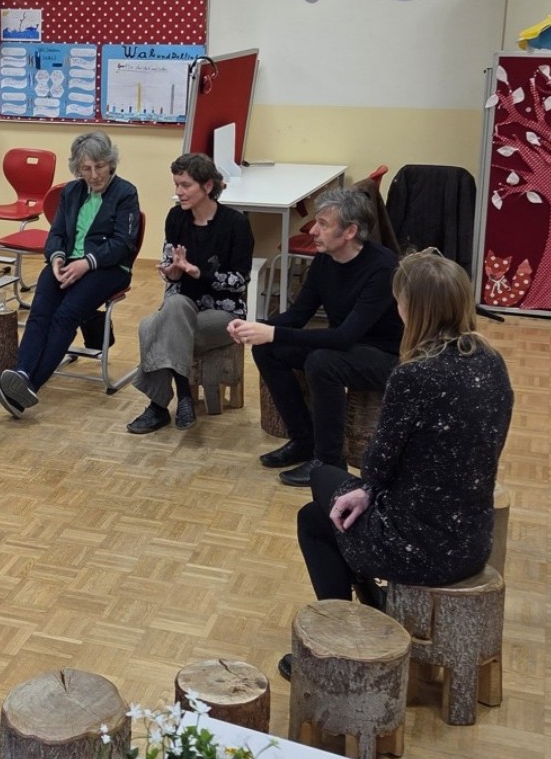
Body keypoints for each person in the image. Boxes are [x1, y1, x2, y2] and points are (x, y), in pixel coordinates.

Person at [279, 250, 513, 680]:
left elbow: (377, 467)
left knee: (315, 512)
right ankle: (371, 602)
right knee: (329, 490)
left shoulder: (414, 375)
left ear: (414, 308)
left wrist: (368, 490)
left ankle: (342, 639)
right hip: (471, 537)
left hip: (417, 547)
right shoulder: (491, 361)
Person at [228, 187, 403, 486]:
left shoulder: (382, 267)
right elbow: (298, 314)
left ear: (350, 231)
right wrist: (256, 327)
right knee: (268, 349)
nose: (313, 231)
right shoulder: (325, 259)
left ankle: (329, 461)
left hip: (384, 356)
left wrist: (272, 332)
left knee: (323, 362)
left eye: (323, 224)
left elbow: (345, 336)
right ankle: (303, 440)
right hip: (347, 346)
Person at [0, 131, 140, 418]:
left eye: (99, 166)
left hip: (108, 269)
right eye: (86, 168)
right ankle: (21, 373)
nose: (94, 175)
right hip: (68, 263)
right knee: (40, 311)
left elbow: (124, 244)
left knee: (66, 315)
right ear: (77, 169)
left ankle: (29, 386)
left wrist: (87, 263)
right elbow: (56, 234)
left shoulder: (125, 193)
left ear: (111, 163)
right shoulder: (71, 192)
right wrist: (57, 258)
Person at [127, 153, 253, 434]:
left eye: (185, 185)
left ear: (207, 186)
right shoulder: (176, 217)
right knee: (173, 309)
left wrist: (198, 273)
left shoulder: (235, 224)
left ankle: (159, 406)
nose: (179, 192)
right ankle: (183, 399)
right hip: (183, 307)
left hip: (224, 314)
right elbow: (170, 268)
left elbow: (239, 281)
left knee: (151, 327)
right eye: (176, 184)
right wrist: (172, 272)